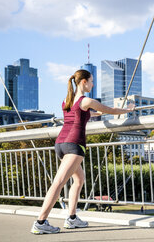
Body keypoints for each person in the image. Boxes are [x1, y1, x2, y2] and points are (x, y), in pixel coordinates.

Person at [31, 69, 135, 234]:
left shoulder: (67, 100)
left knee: (79, 180)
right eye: (91, 81)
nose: (93, 84)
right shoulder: (86, 100)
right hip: (74, 145)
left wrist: (96, 113)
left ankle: (72, 218)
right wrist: (128, 110)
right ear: (84, 82)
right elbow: (112, 111)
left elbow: (81, 114)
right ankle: (40, 222)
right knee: (58, 183)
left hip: (60, 144)